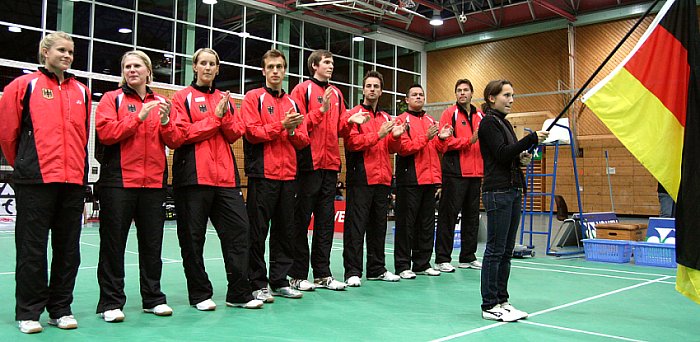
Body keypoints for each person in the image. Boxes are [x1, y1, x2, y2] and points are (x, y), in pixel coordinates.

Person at [0, 31, 90, 334]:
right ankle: (28, 312)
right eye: (61, 50)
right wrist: (25, 164)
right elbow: (8, 134)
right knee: (31, 249)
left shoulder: (82, 90)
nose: (67, 55)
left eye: (71, 51)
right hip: (35, 180)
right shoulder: (23, 86)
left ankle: (61, 309)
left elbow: (82, 135)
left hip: (72, 181)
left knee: (68, 250)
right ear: (45, 51)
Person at [171, 48, 262, 311]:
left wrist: (224, 116)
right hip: (193, 179)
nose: (208, 68)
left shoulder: (226, 99)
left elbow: (235, 134)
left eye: (213, 63)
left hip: (225, 179)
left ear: (218, 69)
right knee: (192, 238)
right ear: (195, 67)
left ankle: (238, 292)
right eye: (203, 63)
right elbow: (181, 134)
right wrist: (216, 118)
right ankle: (200, 294)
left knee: (239, 232)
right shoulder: (181, 98)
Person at [94, 50, 181, 322]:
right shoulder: (111, 99)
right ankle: (110, 302)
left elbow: (176, 140)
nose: (132, 70)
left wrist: (165, 121)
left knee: (152, 245)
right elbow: (106, 133)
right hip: (118, 183)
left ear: (148, 71)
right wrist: (139, 117)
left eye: (137, 66)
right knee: (113, 245)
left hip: (153, 184)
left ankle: (153, 298)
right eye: (127, 66)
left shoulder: (162, 103)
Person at [288, 49, 366, 291]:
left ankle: (322, 273)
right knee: (301, 221)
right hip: (307, 164)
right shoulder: (301, 91)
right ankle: (296, 274)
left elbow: (340, 127)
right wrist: (320, 111)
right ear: (314, 66)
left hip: (330, 165)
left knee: (325, 222)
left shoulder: (338, 94)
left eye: (333, 62)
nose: (331, 66)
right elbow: (298, 123)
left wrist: (350, 122)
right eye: (327, 62)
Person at [241, 49, 309, 303]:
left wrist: (291, 132)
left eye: (280, 67)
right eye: (271, 67)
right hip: (263, 175)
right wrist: (282, 126)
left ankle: (279, 280)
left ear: (285, 70)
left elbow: (303, 140)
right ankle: (257, 283)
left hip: (288, 176)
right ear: (264, 71)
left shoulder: (293, 103)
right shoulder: (253, 98)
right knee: (258, 232)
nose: (275, 71)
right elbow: (251, 133)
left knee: (285, 231)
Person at [478, 79, 547, 322]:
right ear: (491, 98)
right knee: (495, 250)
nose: (511, 99)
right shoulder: (488, 123)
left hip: (514, 189)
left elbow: (509, 157)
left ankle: (502, 300)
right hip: (498, 192)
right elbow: (500, 154)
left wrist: (522, 160)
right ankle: (489, 305)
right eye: (506, 95)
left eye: (512, 95)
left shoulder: (504, 123)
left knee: (507, 250)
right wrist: (532, 138)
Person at [341, 70, 401, 287]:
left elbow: (393, 148)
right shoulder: (354, 114)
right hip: (361, 178)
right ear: (363, 89)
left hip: (383, 179)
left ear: (381, 91)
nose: (373, 89)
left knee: (378, 227)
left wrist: (395, 137)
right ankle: (352, 271)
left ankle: (377, 268)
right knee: (356, 226)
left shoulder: (386, 118)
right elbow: (352, 143)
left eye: (376, 86)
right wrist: (379, 134)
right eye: (369, 86)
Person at [388, 84, 452, 279]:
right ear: (407, 100)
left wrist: (441, 139)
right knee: (406, 224)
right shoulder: (401, 120)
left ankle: (422, 263)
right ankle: (402, 265)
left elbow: (439, 150)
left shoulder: (431, 120)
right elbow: (404, 148)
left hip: (430, 179)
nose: (418, 97)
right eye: (414, 95)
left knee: (425, 224)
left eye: (421, 94)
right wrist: (426, 137)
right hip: (410, 179)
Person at [435, 79, 484, 273]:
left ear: (472, 93)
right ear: (456, 94)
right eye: (459, 90)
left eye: (466, 90)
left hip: (476, 173)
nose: (462, 93)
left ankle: (467, 257)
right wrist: (468, 141)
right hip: (454, 172)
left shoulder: (481, 114)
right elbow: (444, 144)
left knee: (472, 217)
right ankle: (442, 259)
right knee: (449, 216)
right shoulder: (449, 113)